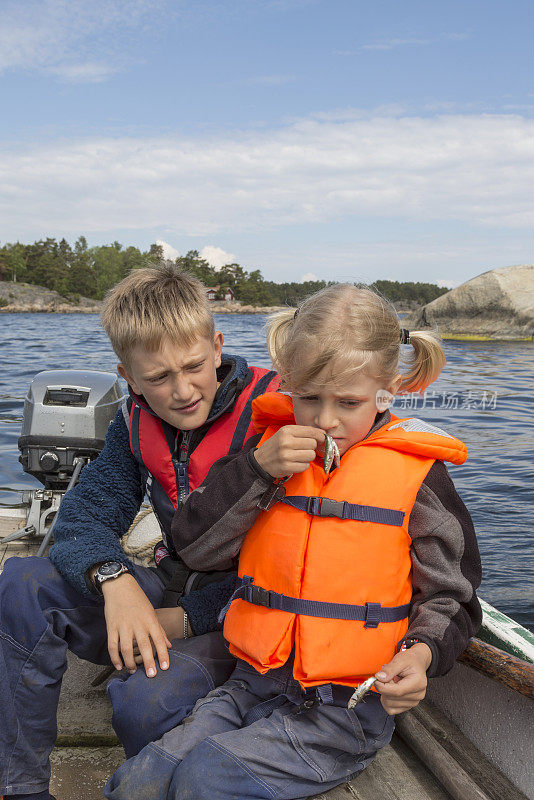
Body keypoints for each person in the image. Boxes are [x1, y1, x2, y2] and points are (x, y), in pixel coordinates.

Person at [105, 283, 482, 800]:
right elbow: (195, 547)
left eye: (349, 403)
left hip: (346, 710)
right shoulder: (262, 454)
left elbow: (453, 596)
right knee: (138, 784)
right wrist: (258, 472)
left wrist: (420, 654)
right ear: (288, 381)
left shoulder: (420, 478)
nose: (325, 420)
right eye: (307, 398)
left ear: (388, 389)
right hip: (251, 680)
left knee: (206, 777)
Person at [0, 263, 279, 800]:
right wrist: (115, 582)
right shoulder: (132, 422)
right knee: (22, 582)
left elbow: (300, 569)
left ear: (217, 346)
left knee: (141, 708)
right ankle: (22, 787)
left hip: (244, 614)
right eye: (157, 378)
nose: (182, 391)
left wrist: (184, 620)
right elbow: (83, 518)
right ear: (127, 377)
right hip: (164, 591)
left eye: (194, 366)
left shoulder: (272, 422)